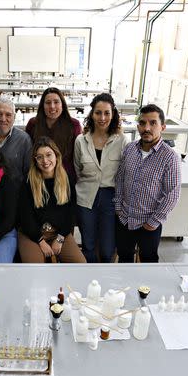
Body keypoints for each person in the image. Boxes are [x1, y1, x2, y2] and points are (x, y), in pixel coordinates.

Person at [114, 103, 181, 263]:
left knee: (148, 261)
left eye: (153, 123)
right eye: (143, 123)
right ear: (138, 126)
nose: (147, 128)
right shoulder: (130, 149)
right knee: (124, 258)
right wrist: (118, 207)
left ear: (162, 127)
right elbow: (120, 179)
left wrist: (154, 222)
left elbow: (173, 194)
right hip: (125, 219)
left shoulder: (169, 157)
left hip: (149, 223)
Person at [74, 93, 125, 263]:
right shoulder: (81, 141)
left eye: (107, 113)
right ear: (92, 114)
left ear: (113, 114)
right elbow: (77, 170)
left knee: (107, 249)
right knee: (88, 245)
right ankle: (89, 279)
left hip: (110, 198)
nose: (102, 118)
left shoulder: (122, 141)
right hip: (85, 197)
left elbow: (124, 173)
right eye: (98, 113)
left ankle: (104, 279)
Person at [18, 138, 85, 264]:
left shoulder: (67, 179)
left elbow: (70, 213)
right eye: (39, 157)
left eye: (49, 155)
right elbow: (26, 217)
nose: (45, 161)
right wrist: (41, 242)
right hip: (32, 235)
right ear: (35, 161)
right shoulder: (28, 182)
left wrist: (60, 239)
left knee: (80, 264)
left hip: (58, 233)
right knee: (35, 268)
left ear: (56, 156)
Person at [25, 87, 82, 182]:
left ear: (62, 105)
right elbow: (29, 152)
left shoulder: (73, 125)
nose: (52, 106)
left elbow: (77, 156)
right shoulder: (33, 124)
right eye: (48, 102)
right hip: (39, 178)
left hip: (65, 179)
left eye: (56, 102)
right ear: (42, 106)